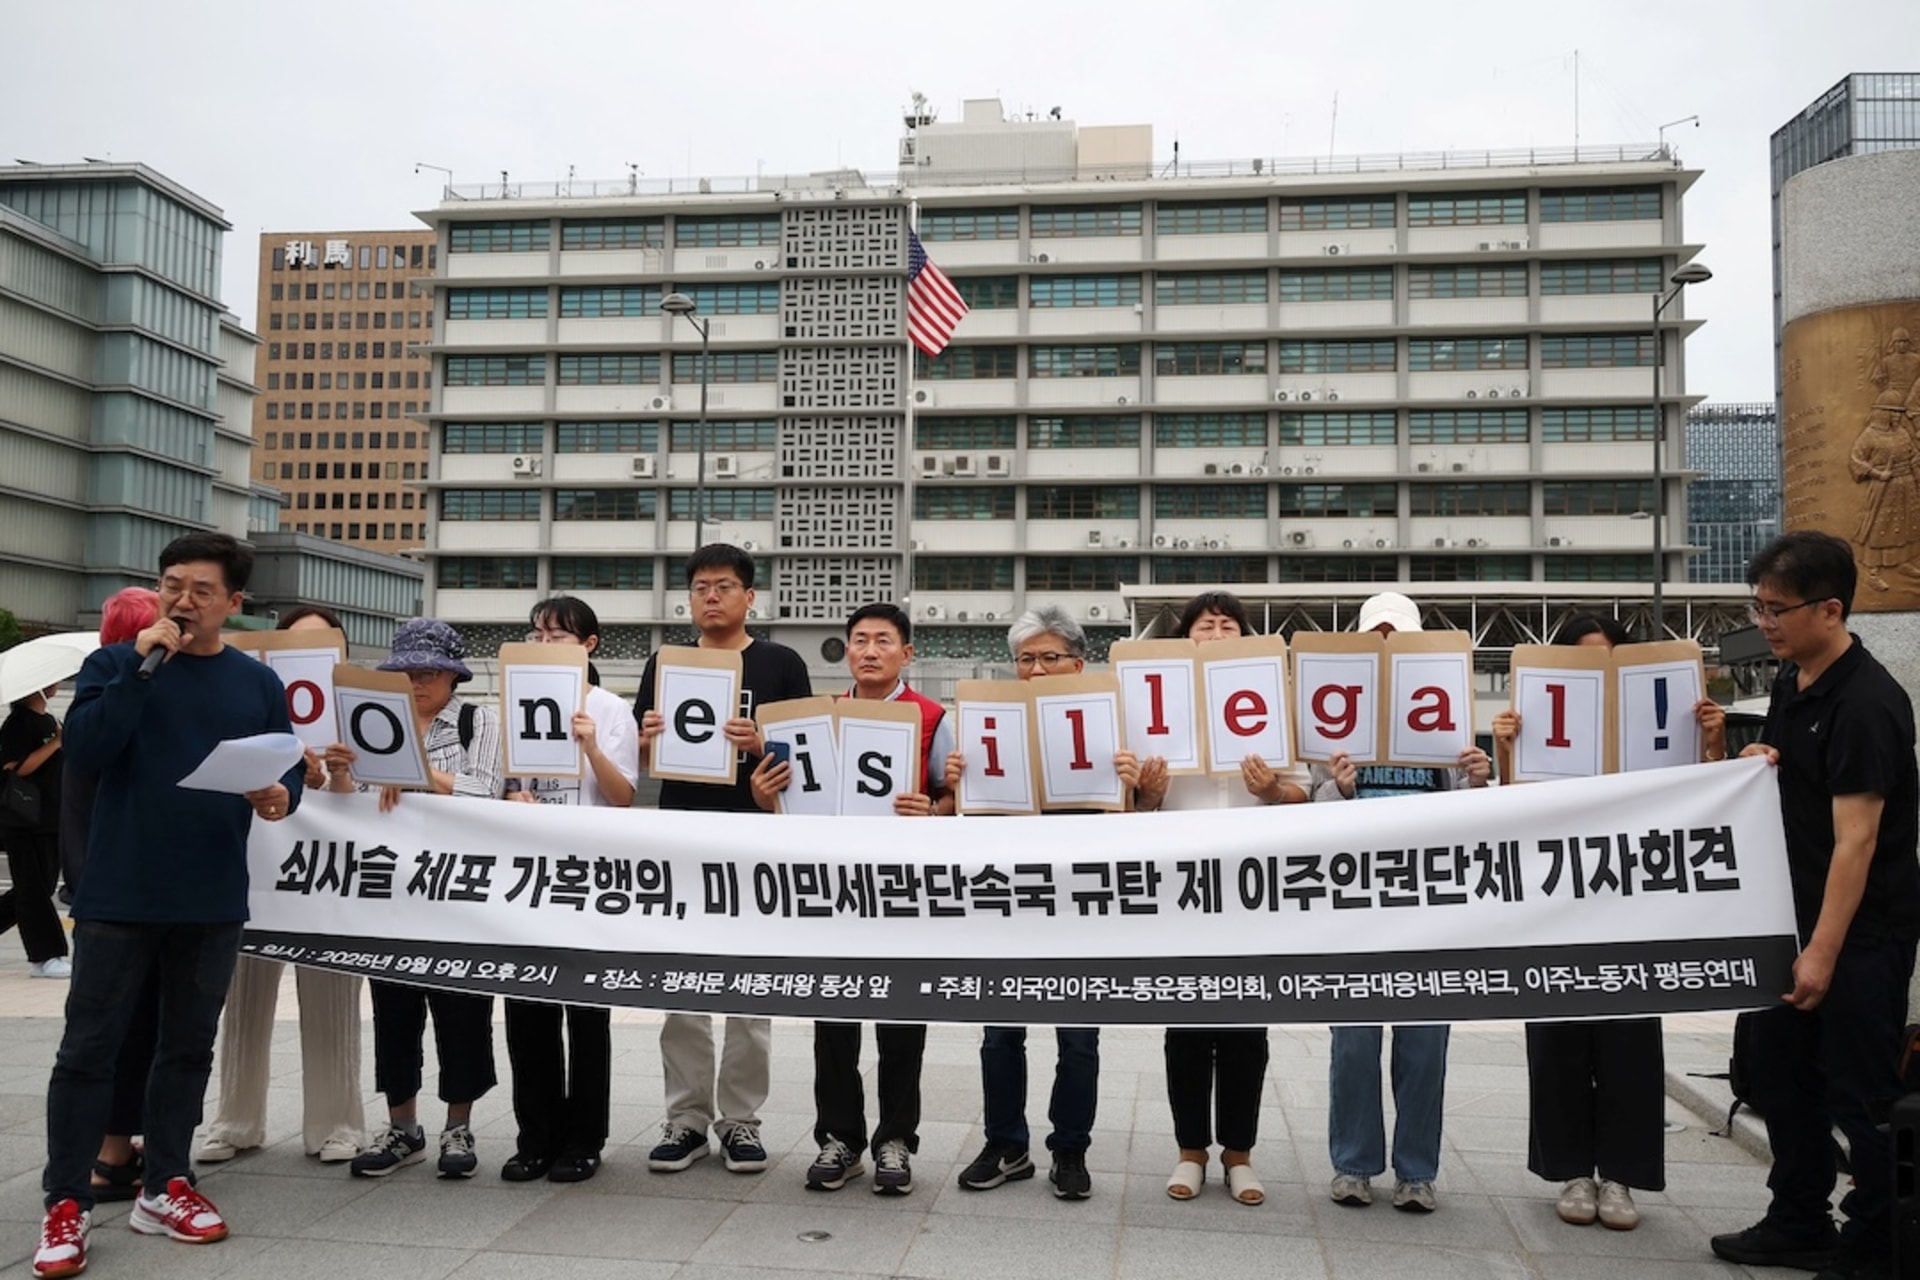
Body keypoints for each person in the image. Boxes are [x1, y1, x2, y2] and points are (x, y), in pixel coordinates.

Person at [33, 532, 303, 1280]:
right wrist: (142, 673)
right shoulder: (115, 664)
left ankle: (166, 1184)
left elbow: (285, 768)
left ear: (234, 604)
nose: (182, 601)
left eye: (201, 591)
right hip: (119, 892)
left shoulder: (254, 683)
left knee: (185, 1047)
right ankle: (67, 1203)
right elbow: (85, 750)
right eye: (171, 585)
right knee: (89, 1050)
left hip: (211, 893)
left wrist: (283, 795)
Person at [1709, 531, 1918, 1280]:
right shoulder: (1792, 686)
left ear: (1830, 610)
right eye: (1757, 606)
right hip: (1786, 920)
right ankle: (1798, 1218)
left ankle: (1875, 1242)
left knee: (1858, 1093)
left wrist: (1823, 952)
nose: (1763, 622)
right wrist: (1760, 761)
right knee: (1778, 1076)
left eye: (1776, 609)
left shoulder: (1867, 702)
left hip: (1859, 936)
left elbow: (1857, 842)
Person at [1492, 613, 1726, 1232]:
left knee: (1629, 1042)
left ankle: (1620, 1175)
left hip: (1632, 901)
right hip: (1559, 902)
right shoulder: (1539, 724)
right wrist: (1507, 748)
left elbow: (1703, 806)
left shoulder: (1658, 730)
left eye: (1608, 657)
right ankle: (1571, 1169)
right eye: (1583, 658)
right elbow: (1513, 812)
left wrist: (1712, 747)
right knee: (1559, 1039)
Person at [1132, 591, 1339, 1207]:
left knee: (1246, 1030)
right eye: (1205, 625)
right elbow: (1136, 809)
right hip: (1185, 891)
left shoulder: (1274, 703)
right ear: (1184, 638)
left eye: (1228, 625)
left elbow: (1306, 798)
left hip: (1252, 894)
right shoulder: (1153, 705)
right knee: (1187, 1029)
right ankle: (1190, 1151)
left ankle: (1239, 1155)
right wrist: (1147, 796)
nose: (1216, 633)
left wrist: (1273, 788)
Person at [749, 602, 954, 1196]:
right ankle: (839, 1138)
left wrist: (934, 809)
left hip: (902, 892)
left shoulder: (934, 718)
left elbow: (952, 798)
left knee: (901, 1024)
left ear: (906, 653)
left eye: (883, 641)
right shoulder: (815, 718)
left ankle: (895, 1140)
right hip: (833, 893)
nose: (869, 650)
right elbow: (783, 803)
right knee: (833, 1021)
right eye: (859, 640)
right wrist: (764, 793)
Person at [948, 605, 1143, 1201]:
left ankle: (1070, 1150)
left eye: (1049, 657)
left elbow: (1129, 822)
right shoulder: (987, 726)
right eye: (1025, 659)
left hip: (1082, 900)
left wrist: (1132, 784)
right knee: (1000, 1034)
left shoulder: (1113, 728)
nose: (1035, 669)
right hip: (1008, 897)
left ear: (1078, 663)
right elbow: (963, 817)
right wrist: (958, 782)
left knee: (1078, 1038)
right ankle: (1006, 1144)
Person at [634, 544, 812, 1176]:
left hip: (757, 842)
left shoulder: (781, 662)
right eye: (701, 587)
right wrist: (647, 738)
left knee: (748, 987)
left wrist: (764, 740)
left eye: (725, 586)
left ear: (749, 596)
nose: (711, 596)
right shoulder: (667, 662)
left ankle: (740, 1120)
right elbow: (645, 760)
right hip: (683, 836)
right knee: (682, 983)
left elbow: (807, 754)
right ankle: (685, 1119)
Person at [1319, 590, 1491, 1216]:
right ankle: (1354, 1165)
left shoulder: (1447, 717)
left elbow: (1472, 821)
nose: (1388, 648)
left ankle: (1417, 1172)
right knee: (1355, 1043)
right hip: (1356, 904)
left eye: (1400, 637)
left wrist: (1477, 780)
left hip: (1427, 905)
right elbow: (1309, 814)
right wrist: (1337, 790)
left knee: (1424, 1046)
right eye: (1378, 636)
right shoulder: (1331, 716)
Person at [330, 618, 505, 1181]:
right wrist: (338, 774)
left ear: (454, 675)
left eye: (430, 670)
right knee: (394, 1010)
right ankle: (402, 1124)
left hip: (459, 891)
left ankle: (459, 1125)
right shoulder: (373, 722)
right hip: (394, 889)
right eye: (407, 670)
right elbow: (351, 799)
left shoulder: (481, 721)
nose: (418, 681)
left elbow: (489, 788)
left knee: (462, 1011)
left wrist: (422, 776)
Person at [198, 605, 367, 1166]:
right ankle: (235, 1120)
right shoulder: (245, 696)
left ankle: (337, 1123)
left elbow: (374, 802)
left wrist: (337, 773)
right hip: (252, 867)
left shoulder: (357, 707)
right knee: (243, 996)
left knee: (332, 998)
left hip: (326, 875)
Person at [500, 596, 639, 1184]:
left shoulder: (610, 710)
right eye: (538, 632)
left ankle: (584, 1137)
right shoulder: (511, 700)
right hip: (529, 876)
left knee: (585, 1014)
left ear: (589, 645)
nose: (545, 641)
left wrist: (590, 747)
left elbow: (625, 794)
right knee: (526, 1009)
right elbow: (501, 779)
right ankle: (535, 1135)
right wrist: (512, 794)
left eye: (559, 634)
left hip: (588, 879)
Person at [59, 587, 162, 1206]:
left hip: (97, 886)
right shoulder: (120, 692)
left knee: (125, 1025)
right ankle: (109, 1152)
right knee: (121, 1028)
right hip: (123, 892)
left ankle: (117, 1145)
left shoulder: (101, 695)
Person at [2, 681, 71, 979]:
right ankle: (45, 957)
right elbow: (14, 769)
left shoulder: (50, 720)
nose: (54, 685)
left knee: (36, 888)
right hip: (23, 818)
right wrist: (55, 743)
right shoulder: (18, 723)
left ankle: (47, 956)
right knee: (35, 890)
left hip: (51, 816)